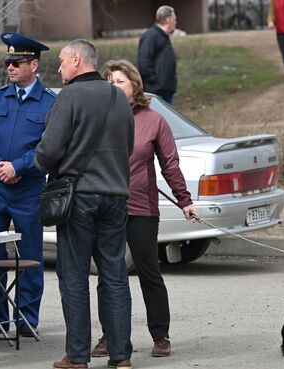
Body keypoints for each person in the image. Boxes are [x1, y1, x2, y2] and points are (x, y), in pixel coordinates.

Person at [35, 39, 134, 369]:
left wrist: (42, 163)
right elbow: (128, 145)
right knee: (115, 275)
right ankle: (121, 356)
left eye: (62, 61)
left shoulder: (69, 97)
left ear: (77, 59)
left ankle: (77, 356)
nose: (59, 68)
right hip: (116, 196)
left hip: (78, 197)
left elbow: (48, 152)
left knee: (74, 277)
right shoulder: (119, 97)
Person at [90, 59, 198, 359]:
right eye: (109, 82)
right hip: (106, 208)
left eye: (119, 81)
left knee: (149, 272)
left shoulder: (153, 120)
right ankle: (109, 336)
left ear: (134, 85)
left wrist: (184, 200)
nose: (113, 86)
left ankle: (160, 335)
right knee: (109, 276)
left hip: (142, 208)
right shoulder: (99, 117)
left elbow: (170, 165)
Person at [0, 32, 55, 337]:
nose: (10, 67)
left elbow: (50, 147)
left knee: (29, 256)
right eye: (8, 62)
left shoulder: (49, 103)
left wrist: (18, 166)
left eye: (16, 62)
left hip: (27, 189)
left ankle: (26, 319)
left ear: (33, 65)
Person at [137, 5, 178, 104]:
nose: (176, 22)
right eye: (174, 19)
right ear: (167, 20)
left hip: (166, 92)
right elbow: (143, 63)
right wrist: (156, 81)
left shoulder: (163, 36)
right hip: (156, 93)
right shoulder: (151, 36)